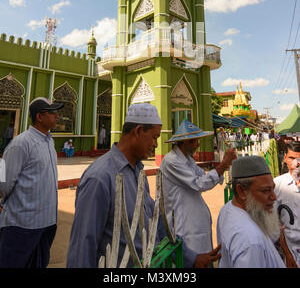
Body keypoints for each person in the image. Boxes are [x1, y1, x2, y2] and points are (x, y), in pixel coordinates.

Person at [67, 104, 198, 268]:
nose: (156, 145)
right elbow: (82, 246)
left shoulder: (137, 172)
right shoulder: (100, 177)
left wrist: (192, 259)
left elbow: (155, 223)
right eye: (154, 137)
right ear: (138, 131)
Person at [160, 119, 237, 268]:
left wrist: (222, 166)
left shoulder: (188, 160)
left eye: (197, 141)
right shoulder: (171, 161)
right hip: (184, 227)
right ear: (181, 143)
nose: (197, 145)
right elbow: (199, 183)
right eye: (193, 141)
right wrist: (224, 164)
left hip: (195, 226)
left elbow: (204, 176)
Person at [0, 97, 64, 268]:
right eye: (53, 113)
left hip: (47, 223)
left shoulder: (49, 141)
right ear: (39, 117)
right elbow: (3, 183)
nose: (57, 116)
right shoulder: (20, 144)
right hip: (22, 224)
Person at [217, 155, 286, 268]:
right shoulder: (251, 242)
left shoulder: (228, 208)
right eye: (265, 191)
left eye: (273, 189)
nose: (274, 197)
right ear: (242, 191)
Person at [274, 141, 300, 267]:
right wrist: (288, 255)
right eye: (292, 158)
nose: (296, 163)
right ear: (285, 158)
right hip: (285, 250)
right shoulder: (276, 185)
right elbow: (274, 222)